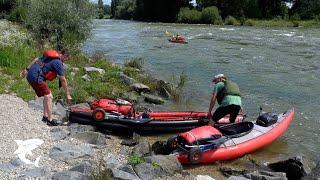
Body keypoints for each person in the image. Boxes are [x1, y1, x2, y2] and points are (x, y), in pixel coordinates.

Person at [20, 49, 72, 126]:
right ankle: (50, 120)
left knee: (46, 95)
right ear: (64, 56)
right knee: (49, 96)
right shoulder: (58, 62)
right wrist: (67, 94)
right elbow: (63, 80)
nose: (66, 61)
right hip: (36, 77)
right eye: (67, 59)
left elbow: (36, 59)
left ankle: (45, 117)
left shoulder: (50, 56)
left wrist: (26, 70)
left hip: (31, 74)